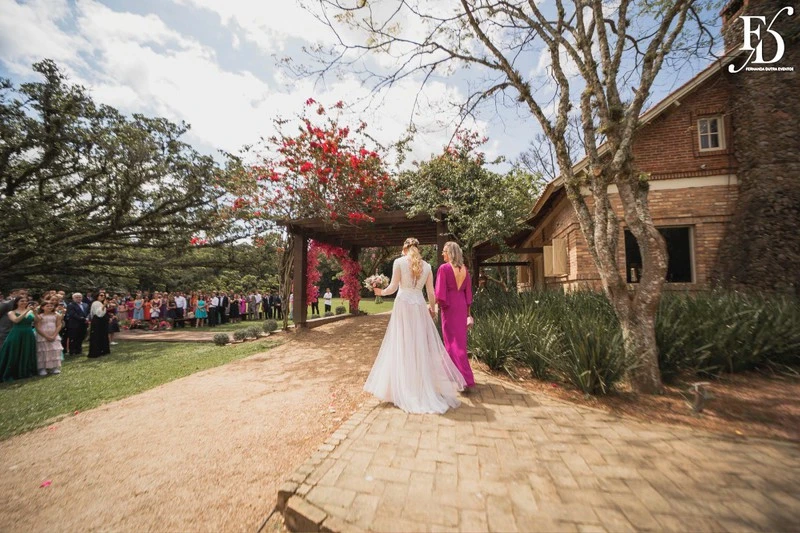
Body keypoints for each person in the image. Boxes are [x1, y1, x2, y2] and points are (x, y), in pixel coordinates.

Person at [365, 237, 465, 414]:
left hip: (403, 304)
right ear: (418, 249)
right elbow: (430, 292)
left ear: (404, 249)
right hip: (419, 305)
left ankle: (402, 387)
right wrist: (432, 309)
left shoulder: (399, 262)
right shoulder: (426, 266)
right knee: (419, 344)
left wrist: (381, 291)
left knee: (402, 343)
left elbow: (394, 287)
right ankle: (419, 384)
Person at [435, 241, 476, 388]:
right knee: (460, 342)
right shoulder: (465, 269)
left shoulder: (444, 268)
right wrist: (467, 311)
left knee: (451, 342)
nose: (442, 254)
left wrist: (438, 305)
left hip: (449, 306)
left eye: (444, 251)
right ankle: (456, 375)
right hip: (461, 306)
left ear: (450, 253)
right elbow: (468, 294)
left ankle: (463, 378)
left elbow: (440, 292)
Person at [0, 296, 38, 381]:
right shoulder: (11, 312)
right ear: (17, 302)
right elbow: (16, 320)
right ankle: (12, 372)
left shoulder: (31, 311)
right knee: (15, 352)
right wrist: (26, 311)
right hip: (16, 333)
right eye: (22, 301)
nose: (24, 302)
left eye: (26, 301)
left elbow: (38, 320)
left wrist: (35, 312)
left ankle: (25, 372)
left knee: (26, 351)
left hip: (28, 333)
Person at [35, 300, 63, 375]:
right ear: (42, 307)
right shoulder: (40, 316)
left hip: (54, 334)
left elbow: (59, 325)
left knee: (54, 350)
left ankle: (54, 367)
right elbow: (37, 327)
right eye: (47, 306)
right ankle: (42, 368)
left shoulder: (56, 315)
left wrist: (54, 335)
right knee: (43, 351)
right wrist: (46, 336)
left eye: (51, 306)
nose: (50, 307)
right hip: (43, 335)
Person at [88, 293, 111, 358]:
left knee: (103, 335)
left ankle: (103, 350)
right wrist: (104, 305)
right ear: (97, 296)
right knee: (96, 336)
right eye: (101, 295)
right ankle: (96, 352)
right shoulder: (95, 303)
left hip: (102, 321)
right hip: (97, 321)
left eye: (104, 296)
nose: (103, 297)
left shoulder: (101, 303)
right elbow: (99, 313)